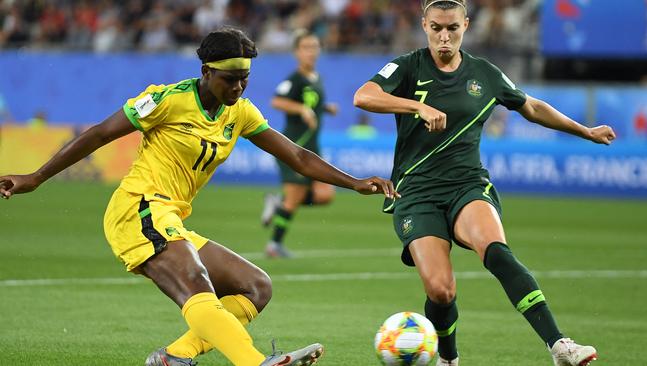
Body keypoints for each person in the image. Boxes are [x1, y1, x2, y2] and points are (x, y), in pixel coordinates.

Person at [0, 27, 397, 366]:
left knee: (255, 287)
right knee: (196, 281)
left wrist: (355, 182)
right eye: (229, 77)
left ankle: (175, 356)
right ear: (206, 72)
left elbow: (295, 155)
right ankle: (253, 361)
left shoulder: (239, 111)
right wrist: (36, 177)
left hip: (170, 218)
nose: (238, 86)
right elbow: (100, 133)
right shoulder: (167, 100)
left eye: (245, 77)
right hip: (137, 209)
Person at [353, 1, 616, 365]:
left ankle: (559, 345)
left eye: (453, 29)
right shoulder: (408, 66)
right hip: (415, 193)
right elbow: (363, 95)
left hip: (467, 185)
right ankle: (448, 359)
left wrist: (584, 131)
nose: (444, 37)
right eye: (437, 28)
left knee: (495, 250)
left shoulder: (485, 74)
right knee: (441, 291)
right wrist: (417, 107)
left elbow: (531, 107)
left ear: (466, 26)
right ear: (425, 25)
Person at [260, 30, 340, 258]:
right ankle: (274, 245)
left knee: (325, 194)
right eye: (306, 47)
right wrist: (301, 109)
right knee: (295, 196)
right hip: (292, 147)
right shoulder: (293, 79)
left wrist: (325, 108)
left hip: (312, 147)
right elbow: (277, 101)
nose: (311, 52)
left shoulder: (317, 78)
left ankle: (278, 203)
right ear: (297, 52)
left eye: (314, 46)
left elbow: (311, 104)